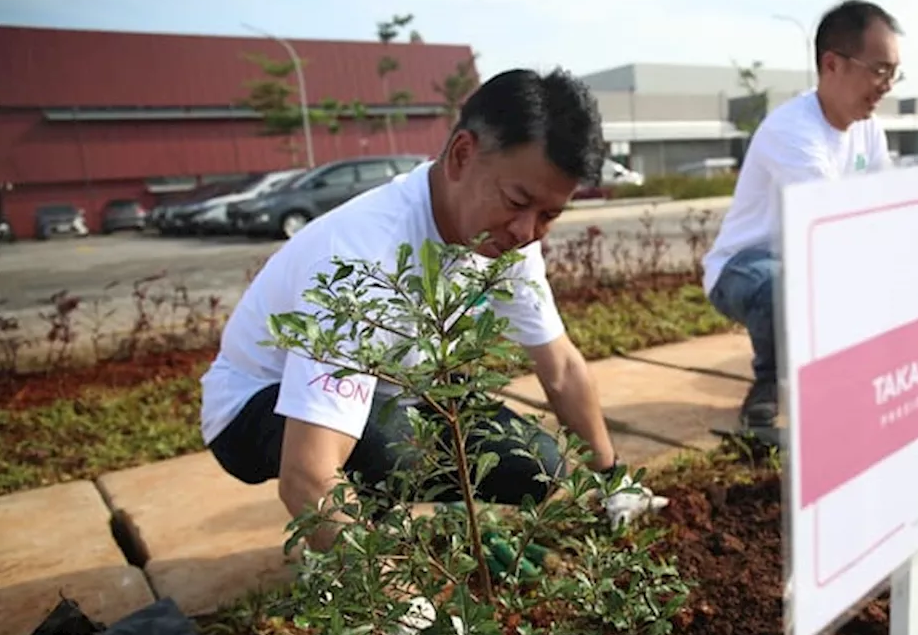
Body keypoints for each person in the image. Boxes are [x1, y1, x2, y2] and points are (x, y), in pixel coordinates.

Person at [200, 67, 667, 554]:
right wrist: (405, 607)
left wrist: (614, 479)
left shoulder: (508, 236)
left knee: (540, 465)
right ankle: (351, 558)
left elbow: (562, 367)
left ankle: (374, 527)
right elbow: (307, 476)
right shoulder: (362, 258)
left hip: (394, 390)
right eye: (518, 201)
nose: (527, 231)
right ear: (462, 155)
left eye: (549, 215)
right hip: (254, 405)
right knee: (383, 446)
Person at [701, 0, 902, 431]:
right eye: (879, 70)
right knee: (784, 284)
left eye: (894, 72)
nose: (887, 84)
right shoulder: (792, 130)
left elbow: (882, 211)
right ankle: (769, 384)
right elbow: (833, 232)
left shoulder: (870, 130)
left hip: (809, 263)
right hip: (743, 268)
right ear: (832, 64)